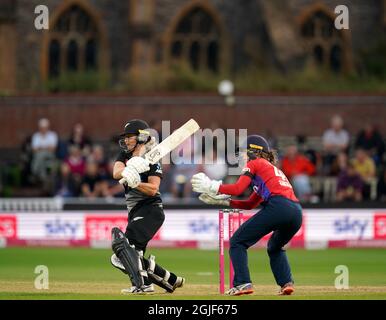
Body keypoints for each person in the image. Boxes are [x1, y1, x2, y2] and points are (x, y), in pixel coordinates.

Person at [191, 135, 302, 296]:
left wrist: (213, 186)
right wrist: (226, 202)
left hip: (279, 206)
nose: (242, 157)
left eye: (243, 153)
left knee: (237, 241)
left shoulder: (255, 163)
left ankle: (243, 283)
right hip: (296, 212)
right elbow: (250, 204)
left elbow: (237, 189)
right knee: (275, 246)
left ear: (252, 151)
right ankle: (286, 283)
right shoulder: (268, 169)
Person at [110, 119, 184, 294]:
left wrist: (136, 183)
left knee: (123, 251)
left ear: (141, 137)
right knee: (131, 258)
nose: (126, 141)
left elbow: (153, 189)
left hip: (150, 209)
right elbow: (115, 172)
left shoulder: (153, 160)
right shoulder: (124, 156)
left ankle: (142, 285)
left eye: (130, 137)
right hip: (135, 211)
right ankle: (170, 280)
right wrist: (129, 168)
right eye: (125, 137)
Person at [31, 118, 58, 183]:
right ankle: (44, 178)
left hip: (50, 155)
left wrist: (40, 148)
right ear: (39, 128)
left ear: (48, 127)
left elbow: (53, 149)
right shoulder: (36, 136)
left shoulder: (53, 135)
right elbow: (34, 150)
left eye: (45, 128)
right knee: (41, 158)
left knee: (40, 155)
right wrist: (46, 147)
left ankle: (34, 171)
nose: (43, 129)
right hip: (39, 156)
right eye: (42, 128)